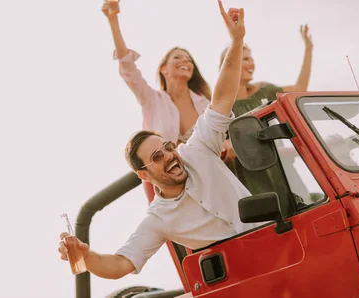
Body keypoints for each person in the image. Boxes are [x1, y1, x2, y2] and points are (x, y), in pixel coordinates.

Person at [59, 1, 261, 280]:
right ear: (143, 174)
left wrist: (236, 40)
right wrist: (88, 257)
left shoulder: (198, 147)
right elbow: (120, 264)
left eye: (166, 147)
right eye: (156, 157)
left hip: (274, 242)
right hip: (237, 274)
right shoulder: (159, 218)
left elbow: (223, 96)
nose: (168, 155)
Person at [102, 0, 213, 199]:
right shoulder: (152, 99)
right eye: (177, 58)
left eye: (188, 59)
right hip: (165, 185)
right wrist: (113, 19)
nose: (185, 61)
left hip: (205, 178)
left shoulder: (205, 104)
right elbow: (127, 67)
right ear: (163, 68)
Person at [220, 25, 314, 197]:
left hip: (282, 166)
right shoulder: (221, 105)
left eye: (251, 59)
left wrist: (309, 49)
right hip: (251, 175)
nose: (252, 63)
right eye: (245, 59)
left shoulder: (265, 91)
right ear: (230, 63)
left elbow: (300, 89)